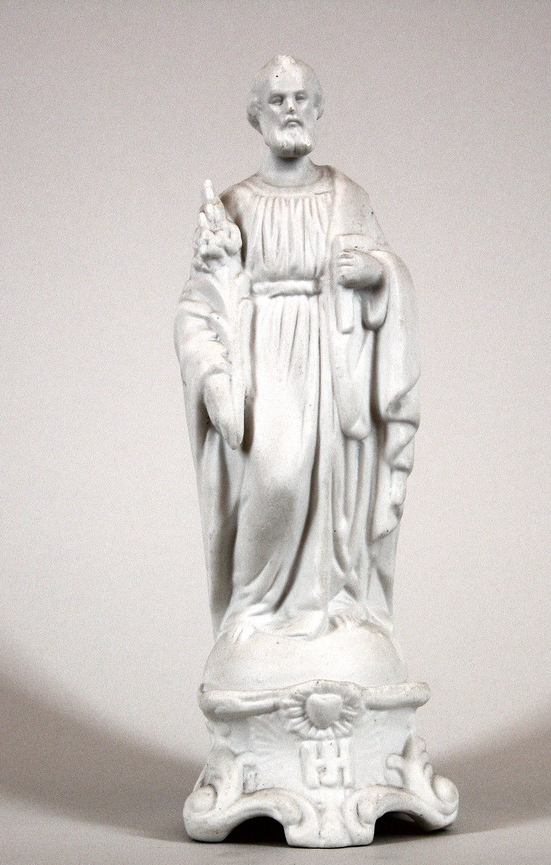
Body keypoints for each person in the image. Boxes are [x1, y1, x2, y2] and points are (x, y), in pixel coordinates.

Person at [175, 56, 420, 643]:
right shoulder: (234, 203)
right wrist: (214, 375)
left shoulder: (348, 195)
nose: (290, 109)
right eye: (277, 99)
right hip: (264, 357)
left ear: (318, 109)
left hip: (334, 357)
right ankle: (253, 607)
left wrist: (377, 275)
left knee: (334, 489)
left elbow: (390, 270)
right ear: (255, 115)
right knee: (276, 478)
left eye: (301, 98)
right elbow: (199, 301)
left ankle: (333, 602)